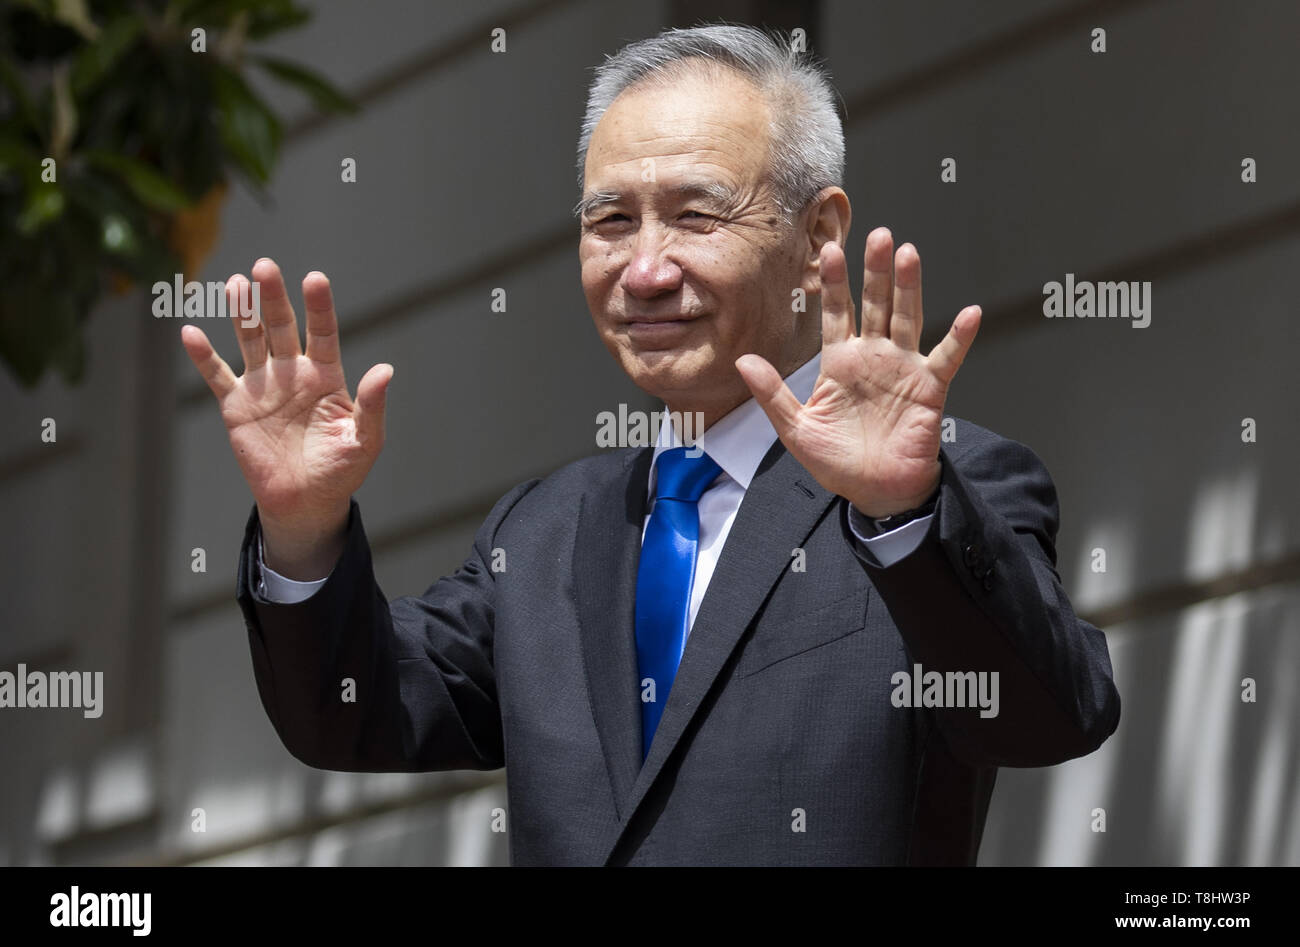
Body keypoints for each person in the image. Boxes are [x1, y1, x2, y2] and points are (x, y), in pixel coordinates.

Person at [180, 24, 1120, 865]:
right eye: (611, 221)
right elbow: (351, 714)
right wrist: (302, 530)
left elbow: (1045, 716)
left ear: (816, 236)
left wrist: (901, 513)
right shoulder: (546, 531)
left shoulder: (933, 490)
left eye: (696, 215)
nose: (645, 268)